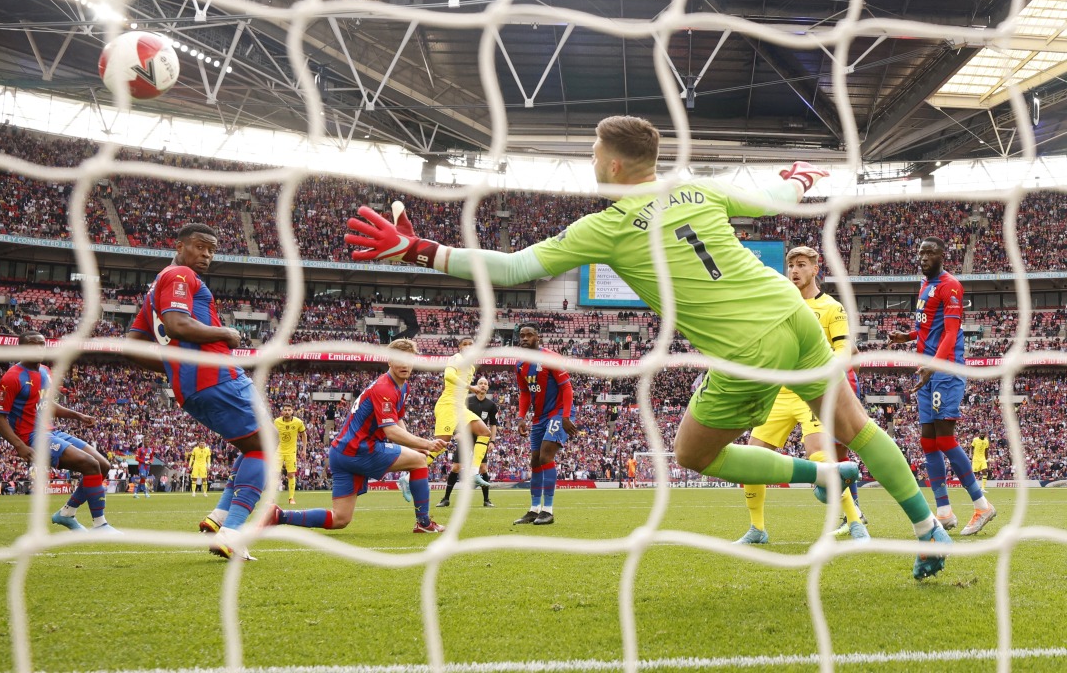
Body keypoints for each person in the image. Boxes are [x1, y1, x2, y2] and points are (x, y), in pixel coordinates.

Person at [347, 115, 951, 579]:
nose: (591, 159)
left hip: (747, 346)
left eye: (593, 152)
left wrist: (419, 250)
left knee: (694, 453)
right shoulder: (694, 189)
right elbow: (777, 199)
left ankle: (822, 472)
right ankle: (928, 530)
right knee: (857, 424)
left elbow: (513, 268)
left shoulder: (608, 226)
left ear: (612, 164)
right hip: (793, 313)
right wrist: (797, 177)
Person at [126, 223, 267, 561]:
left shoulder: (155, 288)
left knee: (253, 446)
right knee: (267, 445)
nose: (206, 255)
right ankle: (232, 532)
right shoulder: (180, 275)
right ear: (179, 245)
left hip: (190, 388)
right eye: (200, 247)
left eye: (211, 250)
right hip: (218, 375)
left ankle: (219, 518)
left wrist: (177, 367)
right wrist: (226, 334)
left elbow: (132, 346)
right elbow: (177, 325)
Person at [734, 246, 868, 545]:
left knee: (819, 454)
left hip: (812, 391)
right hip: (780, 392)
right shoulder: (780, 304)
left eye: (801, 264)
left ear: (815, 269)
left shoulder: (832, 307)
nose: (794, 270)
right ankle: (757, 529)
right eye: (791, 265)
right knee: (752, 458)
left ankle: (855, 521)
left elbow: (844, 348)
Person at [269, 339, 448, 533]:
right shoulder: (385, 388)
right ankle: (423, 523)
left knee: (340, 519)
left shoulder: (402, 386)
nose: (404, 364)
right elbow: (391, 431)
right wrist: (426, 444)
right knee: (420, 461)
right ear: (389, 361)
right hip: (361, 449)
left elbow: (397, 420)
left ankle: (279, 515)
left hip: (342, 452)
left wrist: (413, 445)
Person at [889, 237, 997, 537]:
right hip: (927, 369)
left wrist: (933, 365)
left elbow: (950, 333)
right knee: (928, 441)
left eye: (930, 252)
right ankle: (944, 511)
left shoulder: (951, 286)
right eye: (920, 252)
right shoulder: (925, 285)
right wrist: (908, 337)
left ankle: (982, 505)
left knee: (945, 439)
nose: (924, 257)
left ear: (942, 256)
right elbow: (928, 329)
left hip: (945, 369)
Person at [0, 332, 118, 533]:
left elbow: (47, 405)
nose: (38, 349)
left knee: (103, 465)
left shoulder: (45, 371)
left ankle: (67, 513)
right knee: (90, 464)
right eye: (32, 345)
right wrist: (19, 445)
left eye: (41, 344)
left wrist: (78, 416)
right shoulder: (12, 377)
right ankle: (100, 524)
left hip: (51, 431)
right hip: (32, 437)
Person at [411, 337, 491, 503]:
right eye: (465, 344)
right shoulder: (457, 358)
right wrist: (470, 387)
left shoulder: (470, 366)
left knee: (484, 432)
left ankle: (473, 473)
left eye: (471, 345)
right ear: (460, 347)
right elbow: (448, 375)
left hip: (459, 407)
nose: (468, 347)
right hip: (448, 405)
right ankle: (407, 476)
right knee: (440, 444)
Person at [511, 324, 576, 526]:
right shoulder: (520, 364)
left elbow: (567, 388)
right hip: (539, 417)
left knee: (545, 456)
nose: (524, 338)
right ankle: (534, 509)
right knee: (535, 460)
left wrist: (566, 416)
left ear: (537, 337)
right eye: (522, 335)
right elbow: (524, 393)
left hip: (558, 413)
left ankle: (548, 510)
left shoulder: (551, 358)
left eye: (529, 335)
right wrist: (521, 417)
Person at [437, 377, 499, 508]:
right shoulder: (467, 401)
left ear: (488, 387)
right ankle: (446, 498)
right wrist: (457, 432)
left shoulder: (491, 405)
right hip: (466, 438)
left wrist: (492, 441)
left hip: (481, 439)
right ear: (476, 385)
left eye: (485, 384)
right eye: (480, 383)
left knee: (483, 468)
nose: (483, 385)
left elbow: (493, 425)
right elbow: (456, 417)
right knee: (456, 467)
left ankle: (486, 500)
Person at [273, 401, 306, 504]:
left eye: (289, 410)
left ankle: (291, 498)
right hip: (278, 451)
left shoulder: (298, 422)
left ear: (292, 411)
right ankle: (271, 498)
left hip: (291, 452)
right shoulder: (276, 422)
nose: (287, 412)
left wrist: (304, 449)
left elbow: (304, 435)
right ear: (282, 412)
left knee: (291, 474)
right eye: (285, 410)